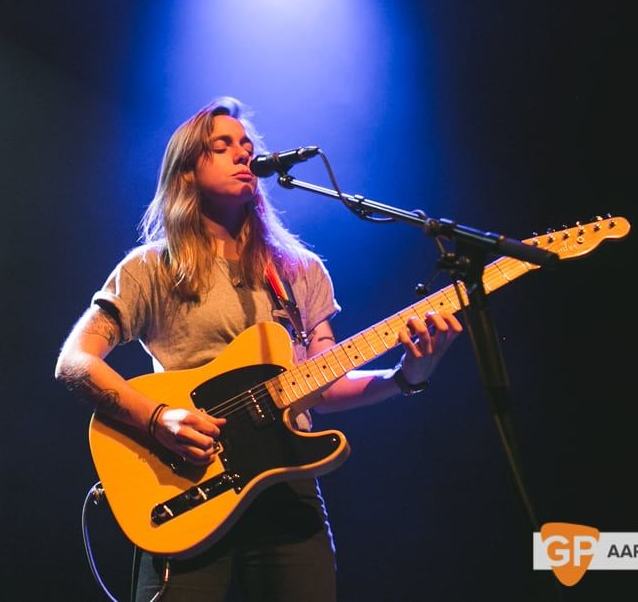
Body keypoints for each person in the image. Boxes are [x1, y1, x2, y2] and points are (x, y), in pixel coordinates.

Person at [54, 96, 461, 601]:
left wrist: (406, 376)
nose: (243, 153)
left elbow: (320, 386)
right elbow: (75, 362)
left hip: (287, 490)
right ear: (186, 171)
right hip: (188, 484)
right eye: (222, 145)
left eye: (246, 145)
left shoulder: (299, 270)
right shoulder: (150, 268)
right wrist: (158, 419)